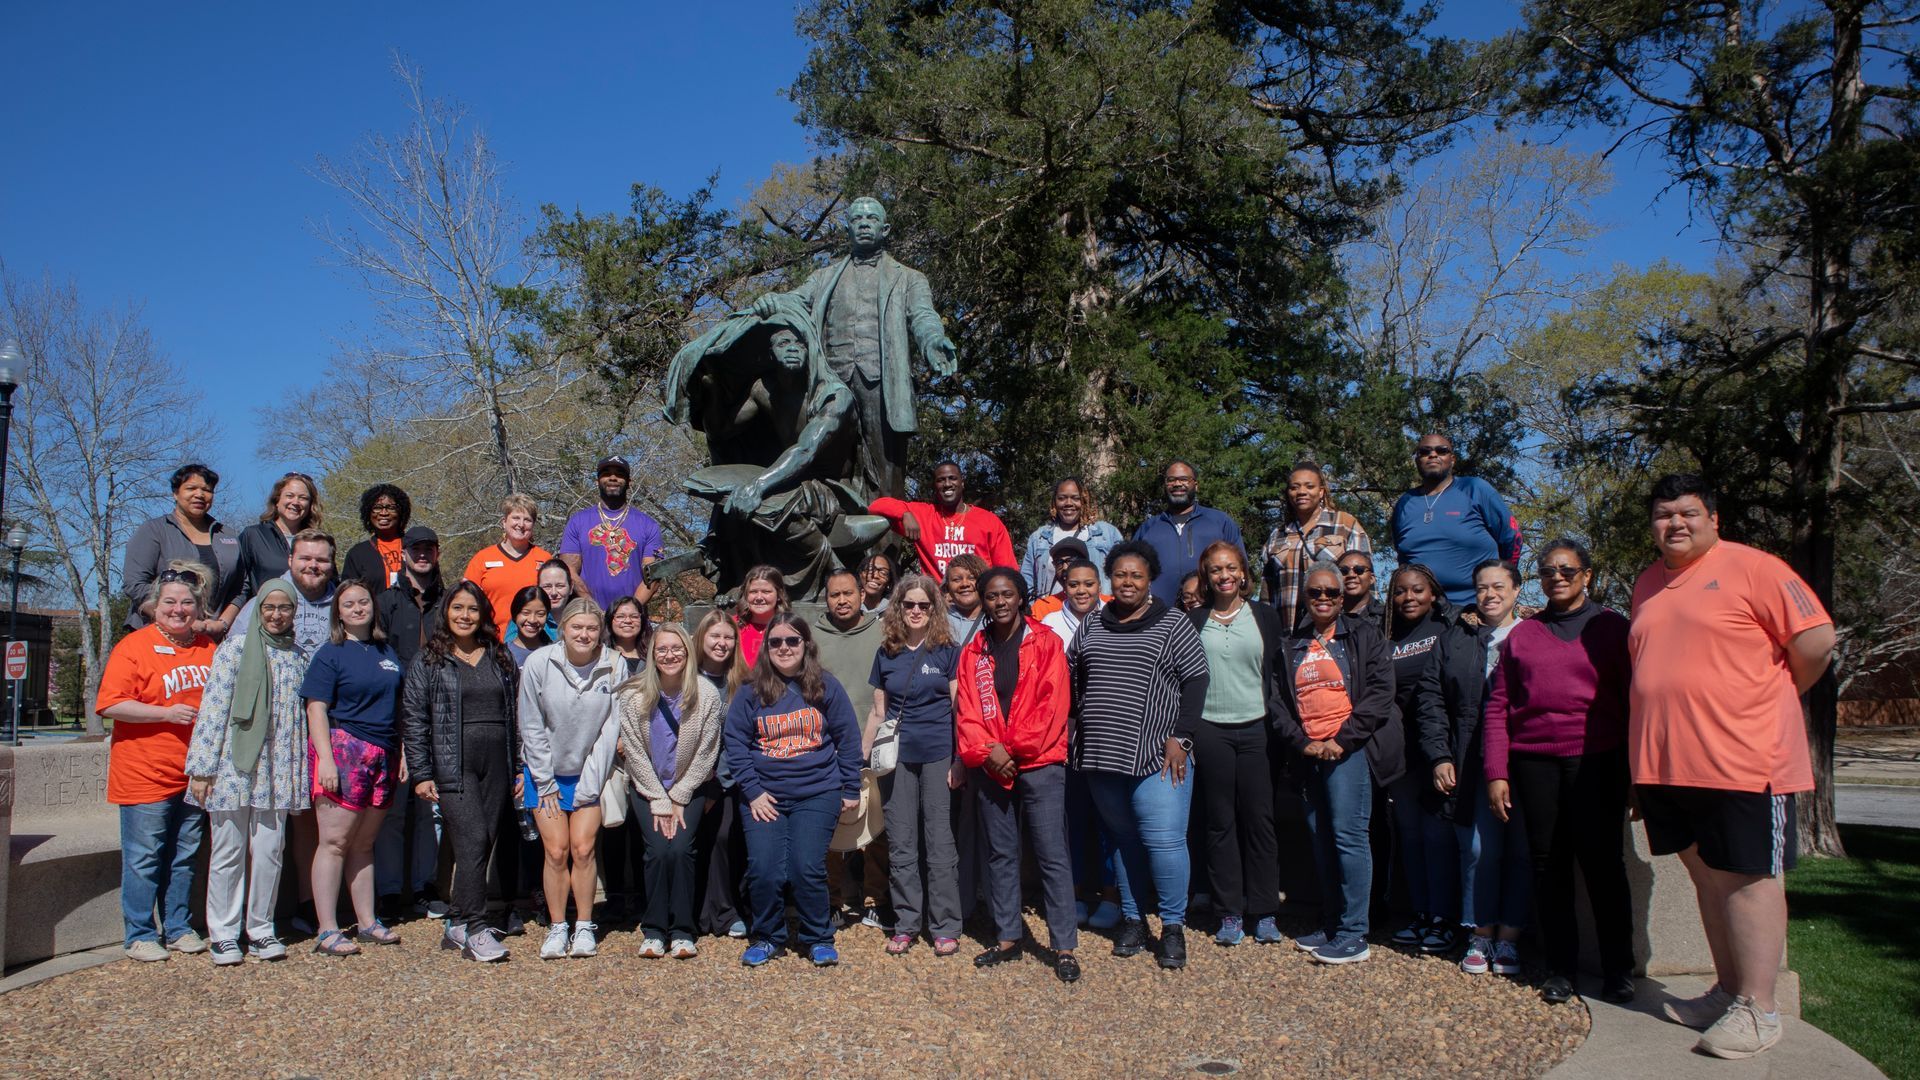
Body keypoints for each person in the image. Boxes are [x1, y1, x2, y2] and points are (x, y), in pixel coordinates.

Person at [1628, 475, 1834, 1059]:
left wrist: (1769, 695)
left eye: (1688, 513)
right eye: (1663, 514)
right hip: (1668, 762)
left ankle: (1759, 1008)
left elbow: (1816, 641)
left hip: (1745, 758)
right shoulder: (1648, 583)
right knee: (1709, 878)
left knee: (1748, 880)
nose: (1675, 524)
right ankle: (1726, 992)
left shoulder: (1755, 568)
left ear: (1713, 518)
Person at [1483, 538, 1634, 1005]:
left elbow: (1635, 702)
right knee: (1548, 867)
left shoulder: (1612, 629)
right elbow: (1497, 706)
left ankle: (1618, 970)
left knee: (1603, 865)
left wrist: (1638, 774)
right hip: (1535, 762)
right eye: (1549, 571)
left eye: (1567, 570)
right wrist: (1496, 771)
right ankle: (1560, 969)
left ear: (1587, 575)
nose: (1558, 578)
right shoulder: (1524, 636)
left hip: (1597, 760)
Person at [746, 195, 960, 497]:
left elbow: (923, 316)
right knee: (828, 461)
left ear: (885, 229)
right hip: (832, 382)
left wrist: (933, 340)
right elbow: (794, 300)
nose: (863, 224)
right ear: (847, 229)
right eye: (857, 219)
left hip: (881, 386)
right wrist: (772, 300)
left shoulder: (909, 278)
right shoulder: (823, 277)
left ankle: (886, 541)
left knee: (885, 469)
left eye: (871, 219)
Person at [1069, 540, 1210, 970]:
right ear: (1110, 577)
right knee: (1122, 839)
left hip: (1159, 754)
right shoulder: (1092, 624)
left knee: (1165, 842)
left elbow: (1197, 679)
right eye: (1121, 574)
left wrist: (1181, 736)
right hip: (1101, 753)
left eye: (1137, 575)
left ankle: (1171, 926)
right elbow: (1075, 675)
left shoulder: (1172, 624)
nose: (1127, 582)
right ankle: (1132, 918)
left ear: (1150, 580)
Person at [1271, 562, 1401, 965]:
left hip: (1348, 751)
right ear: (1305, 598)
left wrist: (1340, 741)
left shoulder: (1364, 636)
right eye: (1315, 593)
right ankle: (1331, 922)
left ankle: (1353, 932)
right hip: (1309, 754)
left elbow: (1380, 693)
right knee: (1320, 838)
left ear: (1342, 598)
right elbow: (1277, 702)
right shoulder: (1291, 644)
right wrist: (1303, 742)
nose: (1323, 599)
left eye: (1331, 593)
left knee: (1348, 837)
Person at [958, 568, 1080, 981]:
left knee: (1051, 853)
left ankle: (1063, 945)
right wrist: (987, 752)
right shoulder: (975, 650)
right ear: (983, 601)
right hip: (992, 766)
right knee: (1001, 853)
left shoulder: (1046, 642)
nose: (999, 602)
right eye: (991, 596)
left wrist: (1008, 749)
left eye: (1007, 594)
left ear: (1021, 596)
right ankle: (1008, 936)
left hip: (1040, 761)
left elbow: (1052, 705)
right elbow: (969, 712)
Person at [725, 614, 864, 968]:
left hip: (817, 792)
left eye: (792, 641)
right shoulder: (750, 691)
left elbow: (848, 739)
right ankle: (768, 936)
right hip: (764, 796)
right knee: (765, 868)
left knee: (806, 867)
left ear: (806, 645)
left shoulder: (825, 686)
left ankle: (817, 936)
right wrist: (753, 791)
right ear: (766, 649)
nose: (784, 648)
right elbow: (735, 744)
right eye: (776, 642)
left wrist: (849, 786)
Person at [185, 576, 311, 965]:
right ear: (258, 610)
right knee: (228, 850)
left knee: (270, 850)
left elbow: (301, 721)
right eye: (269, 607)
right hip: (233, 765)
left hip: (278, 766)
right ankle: (223, 932)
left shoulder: (299, 656)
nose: (276, 615)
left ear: (294, 612)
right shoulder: (235, 650)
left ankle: (261, 928)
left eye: (284, 608)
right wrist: (202, 768)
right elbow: (213, 709)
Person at [97, 562, 218, 961]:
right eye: (170, 602)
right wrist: (164, 714)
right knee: (144, 857)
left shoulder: (207, 648)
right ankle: (139, 933)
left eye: (187, 603)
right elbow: (111, 704)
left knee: (185, 855)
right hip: (144, 772)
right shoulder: (134, 646)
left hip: (193, 773)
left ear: (198, 609)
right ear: (154, 606)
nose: (178, 609)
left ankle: (179, 927)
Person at [399, 581, 523, 963]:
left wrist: (519, 767)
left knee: (484, 840)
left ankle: (455, 922)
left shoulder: (499, 656)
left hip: (497, 762)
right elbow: (415, 719)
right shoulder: (429, 660)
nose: (465, 616)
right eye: (457, 608)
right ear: (445, 613)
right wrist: (421, 773)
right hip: (453, 763)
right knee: (469, 840)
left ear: (483, 613)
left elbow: (517, 715)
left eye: (472, 609)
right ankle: (475, 926)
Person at [1431, 559, 1530, 977]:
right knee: (1477, 849)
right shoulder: (1459, 637)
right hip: (1470, 755)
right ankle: (1480, 930)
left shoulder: (1533, 635)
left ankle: (1510, 938)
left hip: (1524, 758)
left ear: (1517, 590)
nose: (1489, 595)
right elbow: (1431, 697)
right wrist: (1440, 753)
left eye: (1498, 587)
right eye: (1482, 588)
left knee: (1521, 851)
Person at [302, 579, 407, 956]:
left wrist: (404, 751)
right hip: (345, 750)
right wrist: (325, 758)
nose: (358, 608)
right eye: (349, 604)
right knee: (334, 842)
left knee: (364, 842)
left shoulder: (385, 650)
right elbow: (316, 708)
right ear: (339, 612)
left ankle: (367, 921)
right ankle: (327, 928)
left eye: (364, 602)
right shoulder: (330, 653)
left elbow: (396, 706)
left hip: (384, 752)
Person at [1187, 542, 1285, 946]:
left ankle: (1263, 911)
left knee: (1260, 821)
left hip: (1258, 728)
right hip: (1211, 729)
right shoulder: (1193, 620)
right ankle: (1228, 912)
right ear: (1206, 577)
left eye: (1230, 568)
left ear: (1243, 572)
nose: (1224, 575)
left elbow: (1278, 674)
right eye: (1215, 570)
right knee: (1219, 821)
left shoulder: (1265, 616)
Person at [517, 597, 621, 960]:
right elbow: (530, 723)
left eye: (592, 628)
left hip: (590, 771)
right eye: (577, 627)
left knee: (583, 849)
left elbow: (612, 727)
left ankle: (584, 927)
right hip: (544, 771)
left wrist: (591, 781)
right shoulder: (538, 663)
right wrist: (543, 780)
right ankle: (558, 926)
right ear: (563, 629)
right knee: (557, 851)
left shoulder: (614, 665)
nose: (584, 634)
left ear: (600, 633)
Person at [865, 574, 962, 957]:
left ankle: (945, 925)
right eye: (910, 605)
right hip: (897, 758)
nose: (917, 611)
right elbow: (877, 711)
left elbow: (959, 709)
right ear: (899, 609)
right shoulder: (886, 652)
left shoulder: (946, 651)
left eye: (924, 605)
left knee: (940, 842)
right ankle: (906, 923)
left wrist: (960, 759)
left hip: (939, 753)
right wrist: (863, 758)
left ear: (934, 608)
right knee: (902, 842)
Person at [616, 622, 724, 959]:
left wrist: (679, 795)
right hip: (648, 787)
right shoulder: (633, 696)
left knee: (679, 849)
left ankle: (681, 930)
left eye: (676, 648)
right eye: (662, 649)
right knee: (657, 852)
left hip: (690, 786)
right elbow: (633, 751)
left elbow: (708, 751)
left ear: (688, 652)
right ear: (652, 655)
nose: (669, 655)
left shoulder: (706, 694)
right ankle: (654, 929)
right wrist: (660, 799)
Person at [1384, 564, 1461, 955]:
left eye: (1416, 590)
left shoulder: (1451, 628)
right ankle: (1420, 913)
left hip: (1439, 750)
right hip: (1402, 753)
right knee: (1410, 836)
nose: (1408, 598)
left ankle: (1444, 918)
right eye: (1400, 592)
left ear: (1432, 593)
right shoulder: (1388, 635)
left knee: (1437, 835)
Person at [1389, 433, 1522, 610]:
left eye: (1441, 451)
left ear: (1452, 459)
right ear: (1417, 459)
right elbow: (1403, 556)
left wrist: (1505, 582)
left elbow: (1512, 538)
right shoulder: (1405, 503)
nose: (1433, 455)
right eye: (1425, 451)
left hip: (1476, 608)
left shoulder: (1474, 489)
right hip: (1425, 613)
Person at [123, 464, 243, 635]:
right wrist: (176, 617)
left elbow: (240, 588)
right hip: (158, 634)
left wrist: (222, 624)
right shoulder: (153, 530)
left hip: (211, 638)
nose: (199, 495)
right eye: (191, 488)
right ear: (175, 493)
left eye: (207, 490)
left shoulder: (227, 535)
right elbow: (134, 584)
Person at [692, 610, 751, 939]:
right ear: (702, 638)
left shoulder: (741, 681)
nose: (722, 643)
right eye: (715, 636)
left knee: (725, 838)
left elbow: (738, 738)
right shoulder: (687, 678)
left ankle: (727, 912)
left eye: (728, 637)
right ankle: (698, 913)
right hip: (689, 779)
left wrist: (718, 785)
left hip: (728, 779)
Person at [1261, 462, 1371, 627]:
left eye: (1309, 486)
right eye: (1294, 487)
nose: (1301, 492)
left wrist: (1365, 626)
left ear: (1321, 492)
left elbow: (1366, 580)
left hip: (1337, 633)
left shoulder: (1345, 525)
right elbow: (1266, 594)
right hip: (1288, 636)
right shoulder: (1277, 536)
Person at [869, 461, 1016, 581]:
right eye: (941, 480)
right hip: (938, 604)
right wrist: (905, 513)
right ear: (935, 486)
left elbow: (1008, 571)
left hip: (978, 603)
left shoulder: (989, 520)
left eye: (952, 478)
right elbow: (876, 506)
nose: (947, 484)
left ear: (962, 483)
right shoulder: (924, 514)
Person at [1132, 460, 1244, 608]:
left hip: (1210, 615)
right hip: (1159, 617)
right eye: (1171, 480)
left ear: (1196, 485)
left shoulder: (1220, 522)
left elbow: (1241, 567)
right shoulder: (1148, 528)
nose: (1177, 484)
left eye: (1184, 479)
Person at [559, 455, 665, 612]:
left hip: (632, 620)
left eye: (620, 474)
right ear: (597, 481)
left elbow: (654, 575)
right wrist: (594, 610)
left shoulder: (648, 525)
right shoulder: (578, 522)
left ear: (629, 482)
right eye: (606, 473)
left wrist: (628, 612)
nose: (613, 478)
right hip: (589, 617)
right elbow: (568, 570)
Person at [229, 530, 338, 654]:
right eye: (305, 558)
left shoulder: (342, 606)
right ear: (291, 560)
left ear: (333, 564)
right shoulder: (263, 602)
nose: (313, 565)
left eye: (322, 560)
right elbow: (233, 653)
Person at [462, 494, 555, 631]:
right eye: (516, 518)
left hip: (534, 643)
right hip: (492, 641)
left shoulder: (545, 559)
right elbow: (465, 600)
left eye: (527, 520)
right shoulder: (482, 559)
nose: (521, 524)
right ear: (504, 522)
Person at [229, 472, 323, 606]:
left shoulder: (318, 542)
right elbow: (238, 586)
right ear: (277, 500)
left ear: (310, 505)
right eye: (289, 496)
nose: (295, 502)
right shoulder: (253, 536)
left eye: (303, 498)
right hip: (266, 618)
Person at [1021, 477, 1123, 596]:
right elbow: (1026, 583)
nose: (1068, 503)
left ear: (1084, 500)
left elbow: (1123, 573)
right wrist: (1035, 609)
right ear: (1054, 502)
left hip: (1097, 612)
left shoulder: (1107, 533)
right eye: (1062, 498)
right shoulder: (1039, 538)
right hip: (1050, 612)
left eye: (1075, 498)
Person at [377, 526, 445, 668]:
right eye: (416, 549)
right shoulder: (384, 602)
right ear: (403, 554)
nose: (422, 555)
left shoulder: (449, 601)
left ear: (437, 554)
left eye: (428, 549)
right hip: (400, 686)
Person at [342, 484, 411, 591]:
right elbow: (348, 595)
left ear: (401, 512)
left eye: (391, 508)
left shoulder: (416, 547)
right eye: (377, 508)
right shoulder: (357, 554)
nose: (384, 513)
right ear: (368, 513)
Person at [1040, 558, 1104, 645]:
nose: (1081, 591)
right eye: (1073, 585)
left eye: (1089, 584)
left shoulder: (1116, 618)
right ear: (1065, 588)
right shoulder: (1049, 623)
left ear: (1099, 586)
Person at [735, 564, 788, 667]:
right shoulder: (732, 626)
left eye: (766, 592)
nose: (759, 597)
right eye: (753, 592)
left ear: (779, 595)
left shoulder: (790, 628)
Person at [1028, 538, 1089, 621]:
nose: (1064, 567)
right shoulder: (1043, 607)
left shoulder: (1107, 605)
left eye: (1070, 561)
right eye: (1059, 562)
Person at [943, 553, 987, 643]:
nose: (965, 584)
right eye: (957, 579)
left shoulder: (996, 621)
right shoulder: (937, 619)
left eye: (972, 578)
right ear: (948, 587)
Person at [504, 588, 552, 667]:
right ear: (515, 615)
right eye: (525, 613)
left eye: (540, 614)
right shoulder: (502, 655)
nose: (532, 620)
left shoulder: (555, 653)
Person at [605, 596, 648, 681]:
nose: (628, 621)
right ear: (610, 620)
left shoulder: (652, 656)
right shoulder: (602, 657)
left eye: (634, 616)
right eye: (620, 616)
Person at [537, 558, 577, 640]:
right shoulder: (526, 621)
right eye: (547, 586)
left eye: (560, 586)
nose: (554, 593)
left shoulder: (583, 619)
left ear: (571, 587)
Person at [1338, 551, 1380, 621]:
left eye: (1359, 570)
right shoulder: (1325, 617)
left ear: (1372, 578)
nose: (1351, 575)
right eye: (1344, 571)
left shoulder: (1386, 618)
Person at [858, 551, 896, 615]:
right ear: (860, 574)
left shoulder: (895, 614)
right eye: (870, 569)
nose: (875, 575)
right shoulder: (847, 608)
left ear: (889, 583)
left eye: (883, 573)